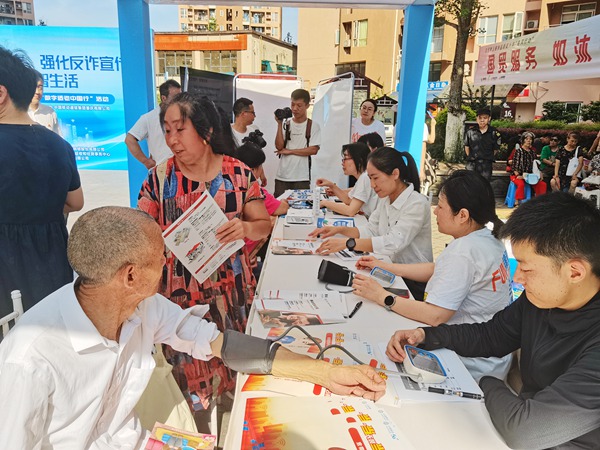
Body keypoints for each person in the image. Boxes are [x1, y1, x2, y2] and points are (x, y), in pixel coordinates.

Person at [0, 206, 386, 449]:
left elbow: (219, 344)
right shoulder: (28, 359)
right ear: (131, 276)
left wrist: (327, 372)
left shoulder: (141, 307)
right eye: (160, 259)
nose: (169, 262)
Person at [385, 192, 600, 449]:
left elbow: (526, 431)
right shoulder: (541, 300)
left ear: (575, 271)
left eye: (526, 268)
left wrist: (487, 382)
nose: (517, 277)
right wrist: (426, 335)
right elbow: (492, 335)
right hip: (512, 421)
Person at [137, 92, 272, 412]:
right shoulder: (158, 177)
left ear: (206, 131)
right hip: (181, 296)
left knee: (236, 363)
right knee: (189, 378)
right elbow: (140, 230)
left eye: (179, 129)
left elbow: (263, 224)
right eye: (166, 130)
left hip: (233, 292)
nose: (171, 140)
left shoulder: (238, 173)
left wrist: (245, 229)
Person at [352, 170, 512, 381]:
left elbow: (434, 315)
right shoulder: (483, 238)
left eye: (442, 206)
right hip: (492, 356)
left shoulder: (464, 251)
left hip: (471, 364)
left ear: (462, 215)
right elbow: (438, 269)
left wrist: (382, 296)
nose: (435, 212)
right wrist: (386, 267)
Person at [0, 46, 83, 317]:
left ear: (1, 94)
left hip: (7, 275)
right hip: (53, 267)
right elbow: (76, 201)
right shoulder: (60, 146)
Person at [309, 147, 433, 299]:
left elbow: (393, 242)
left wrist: (349, 243)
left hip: (412, 281)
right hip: (388, 271)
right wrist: (339, 229)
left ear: (395, 174)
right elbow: (371, 229)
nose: (373, 185)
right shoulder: (386, 199)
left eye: (375, 178)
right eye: (370, 179)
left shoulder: (417, 204)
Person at [234, 141, 289, 256]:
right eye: (261, 167)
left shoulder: (233, 186)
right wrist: (284, 202)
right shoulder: (256, 191)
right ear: (253, 170)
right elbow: (282, 208)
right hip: (248, 250)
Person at [273, 88, 322, 197]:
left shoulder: (313, 125)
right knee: (278, 207)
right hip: (282, 176)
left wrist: (289, 151)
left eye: (299, 106)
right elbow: (279, 147)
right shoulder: (287, 123)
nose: (295, 109)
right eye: (293, 105)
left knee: (301, 209)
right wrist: (279, 124)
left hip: (301, 177)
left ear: (307, 106)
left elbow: (313, 150)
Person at [125, 79, 182, 169]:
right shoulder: (149, 118)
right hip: (162, 170)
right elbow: (129, 139)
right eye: (175, 97)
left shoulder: (185, 116)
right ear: (164, 98)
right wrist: (145, 161)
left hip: (184, 170)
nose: (179, 101)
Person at [317, 143, 379, 217]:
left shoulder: (365, 177)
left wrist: (325, 203)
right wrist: (331, 185)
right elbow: (348, 200)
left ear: (359, 160)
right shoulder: (363, 177)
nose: (342, 163)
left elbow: (350, 211)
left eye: (345, 159)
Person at [464, 107, 501, 180]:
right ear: (476, 119)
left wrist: (486, 157)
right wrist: (472, 157)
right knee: (470, 185)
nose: (482, 120)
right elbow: (467, 147)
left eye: (485, 118)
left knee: (484, 186)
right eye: (480, 118)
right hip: (472, 164)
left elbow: (495, 149)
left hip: (486, 165)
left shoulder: (494, 133)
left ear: (489, 119)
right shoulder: (470, 132)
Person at [510, 131, 546, 203]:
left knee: (542, 184)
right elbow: (514, 165)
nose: (528, 141)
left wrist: (540, 174)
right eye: (526, 139)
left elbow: (537, 164)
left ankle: (540, 200)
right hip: (517, 175)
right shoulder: (518, 151)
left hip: (530, 175)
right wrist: (518, 175)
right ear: (523, 140)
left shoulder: (532, 152)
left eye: (530, 139)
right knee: (521, 184)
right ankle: (517, 200)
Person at [28, 69, 61, 135]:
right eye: (33, 87)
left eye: (40, 87)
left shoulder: (49, 112)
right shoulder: (17, 112)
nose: (37, 92)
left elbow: (58, 139)